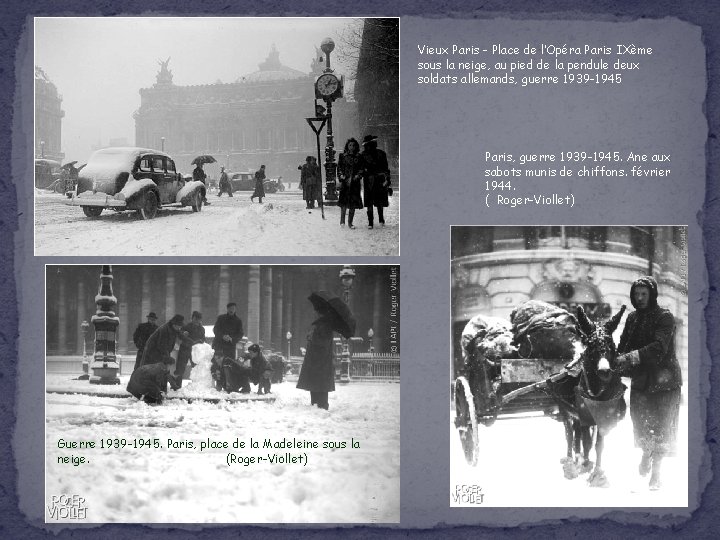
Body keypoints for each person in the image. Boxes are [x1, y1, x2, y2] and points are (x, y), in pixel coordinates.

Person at [617, 276, 683, 490]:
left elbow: (659, 347)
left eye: (644, 294)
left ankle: (657, 473)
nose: (640, 297)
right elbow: (623, 346)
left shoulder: (665, 317)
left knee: (662, 427)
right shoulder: (632, 318)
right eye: (637, 294)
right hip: (641, 381)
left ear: (652, 295)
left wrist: (631, 356)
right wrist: (614, 358)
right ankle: (646, 453)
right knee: (640, 422)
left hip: (665, 382)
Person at [296, 292, 354, 410]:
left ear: (320, 312)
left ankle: (321, 405)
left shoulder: (324, 325)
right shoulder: (322, 325)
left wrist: (311, 338)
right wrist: (311, 337)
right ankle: (316, 404)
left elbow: (323, 343)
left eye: (316, 311)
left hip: (320, 362)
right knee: (316, 384)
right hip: (318, 361)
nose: (314, 312)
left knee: (319, 385)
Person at [360, 134, 391, 229]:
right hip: (369, 180)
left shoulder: (381, 154)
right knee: (370, 202)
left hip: (378, 179)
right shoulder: (363, 155)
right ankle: (371, 221)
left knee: (379, 201)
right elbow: (361, 168)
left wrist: (387, 179)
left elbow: (386, 168)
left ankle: (380, 219)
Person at [337, 137, 365, 229]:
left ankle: (350, 223)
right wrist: (341, 176)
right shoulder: (342, 156)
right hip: (345, 182)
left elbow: (362, 168)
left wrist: (358, 176)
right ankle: (342, 221)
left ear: (356, 146)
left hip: (355, 183)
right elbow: (339, 168)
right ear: (347, 146)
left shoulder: (359, 157)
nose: (351, 147)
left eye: (353, 145)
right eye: (350, 145)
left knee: (352, 204)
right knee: (344, 203)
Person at [175, 311, 205, 384]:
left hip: (195, 351)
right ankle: (177, 386)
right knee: (180, 368)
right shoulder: (186, 326)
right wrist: (183, 334)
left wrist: (200, 343)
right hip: (184, 349)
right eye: (195, 319)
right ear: (192, 318)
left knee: (196, 368)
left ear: (200, 320)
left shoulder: (202, 329)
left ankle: (195, 385)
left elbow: (203, 339)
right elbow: (179, 334)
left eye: (198, 319)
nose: (196, 321)